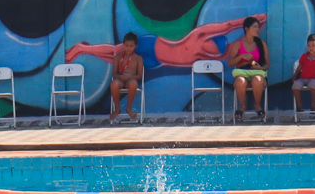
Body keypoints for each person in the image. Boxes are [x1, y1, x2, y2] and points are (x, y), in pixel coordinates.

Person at [65, 14, 265, 72]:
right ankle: (82, 48)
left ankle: (86, 50)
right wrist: (258, 18)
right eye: (211, 45)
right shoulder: (198, 35)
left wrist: (257, 29)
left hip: (156, 62)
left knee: (115, 58)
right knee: (118, 51)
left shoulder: (219, 54)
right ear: (210, 40)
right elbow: (229, 24)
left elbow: (247, 38)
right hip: (154, 46)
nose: (209, 49)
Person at [226, 18, 270, 120]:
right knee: (240, 81)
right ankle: (242, 106)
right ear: (246, 29)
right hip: (242, 73)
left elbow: (267, 64)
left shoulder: (261, 44)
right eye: (254, 27)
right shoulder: (238, 43)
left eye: (258, 27)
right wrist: (241, 57)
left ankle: (257, 105)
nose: (257, 29)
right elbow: (230, 62)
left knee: (258, 80)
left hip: (257, 73)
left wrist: (261, 67)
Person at [107, 33, 145, 124]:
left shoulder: (138, 58)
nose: (128, 48)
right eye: (127, 45)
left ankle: (129, 108)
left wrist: (130, 77)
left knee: (133, 83)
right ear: (123, 45)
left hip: (130, 80)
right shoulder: (118, 57)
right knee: (114, 84)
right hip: (120, 80)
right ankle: (117, 108)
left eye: (131, 46)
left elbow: (139, 75)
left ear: (136, 46)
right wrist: (120, 77)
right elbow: (114, 74)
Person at [292, 34, 315, 114]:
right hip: (302, 78)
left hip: (313, 79)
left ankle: (314, 105)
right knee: (295, 86)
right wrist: (294, 76)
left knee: (314, 85)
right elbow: (299, 67)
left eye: (313, 46)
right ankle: (300, 106)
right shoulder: (304, 56)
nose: (311, 48)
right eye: (309, 46)